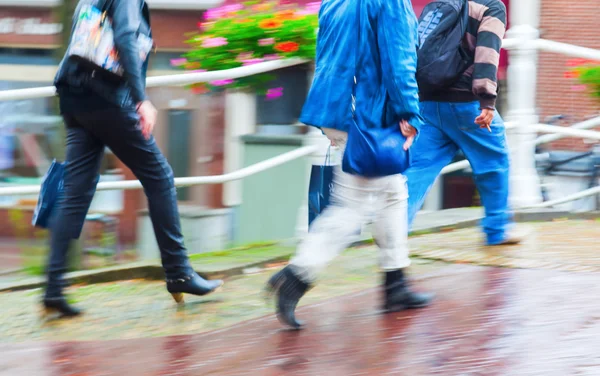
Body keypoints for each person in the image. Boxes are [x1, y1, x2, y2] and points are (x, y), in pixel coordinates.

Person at [44, 0, 223, 318]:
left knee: (74, 192)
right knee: (160, 176)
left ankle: (53, 289)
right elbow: (126, 36)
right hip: (106, 97)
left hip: (74, 98)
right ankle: (179, 271)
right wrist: (141, 100)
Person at [265, 0, 434, 330]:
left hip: (342, 109)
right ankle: (296, 274)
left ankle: (396, 281)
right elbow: (400, 61)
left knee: (392, 194)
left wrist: (333, 120)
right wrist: (410, 113)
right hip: (369, 115)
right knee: (352, 207)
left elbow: (327, 55)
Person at [405, 0, 522, 246]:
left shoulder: (439, 4)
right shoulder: (491, 7)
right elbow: (487, 55)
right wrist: (487, 101)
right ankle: (497, 230)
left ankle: (394, 232)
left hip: (427, 101)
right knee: (494, 162)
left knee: (418, 169)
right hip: (464, 104)